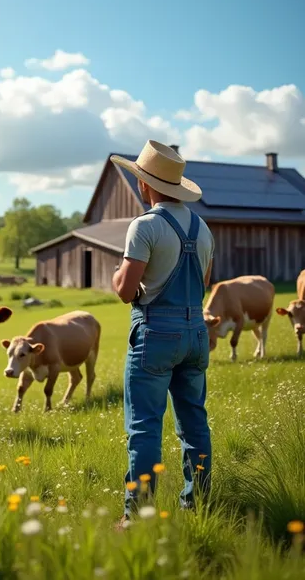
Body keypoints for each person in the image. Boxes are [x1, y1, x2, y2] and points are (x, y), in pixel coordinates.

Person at [111, 140, 214, 523]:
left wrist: (117, 278)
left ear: (144, 185)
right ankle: (198, 505)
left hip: (155, 334)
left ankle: (135, 516)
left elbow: (125, 291)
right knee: (194, 423)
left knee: (144, 427)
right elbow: (204, 281)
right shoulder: (203, 228)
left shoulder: (145, 226)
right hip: (196, 333)